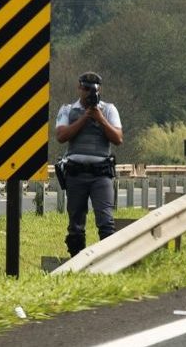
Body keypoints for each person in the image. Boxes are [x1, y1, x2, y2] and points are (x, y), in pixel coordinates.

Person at [55, 72, 123, 257]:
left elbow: (117, 138)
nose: (88, 93)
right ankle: (77, 261)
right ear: (79, 88)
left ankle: (108, 262)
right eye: (85, 89)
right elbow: (61, 136)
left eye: (92, 89)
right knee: (76, 224)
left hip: (101, 174)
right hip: (76, 173)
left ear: (99, 90)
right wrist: (85, 118)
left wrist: (100, 119)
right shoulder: (68, 110)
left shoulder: (108, 110)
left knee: (106, 221)